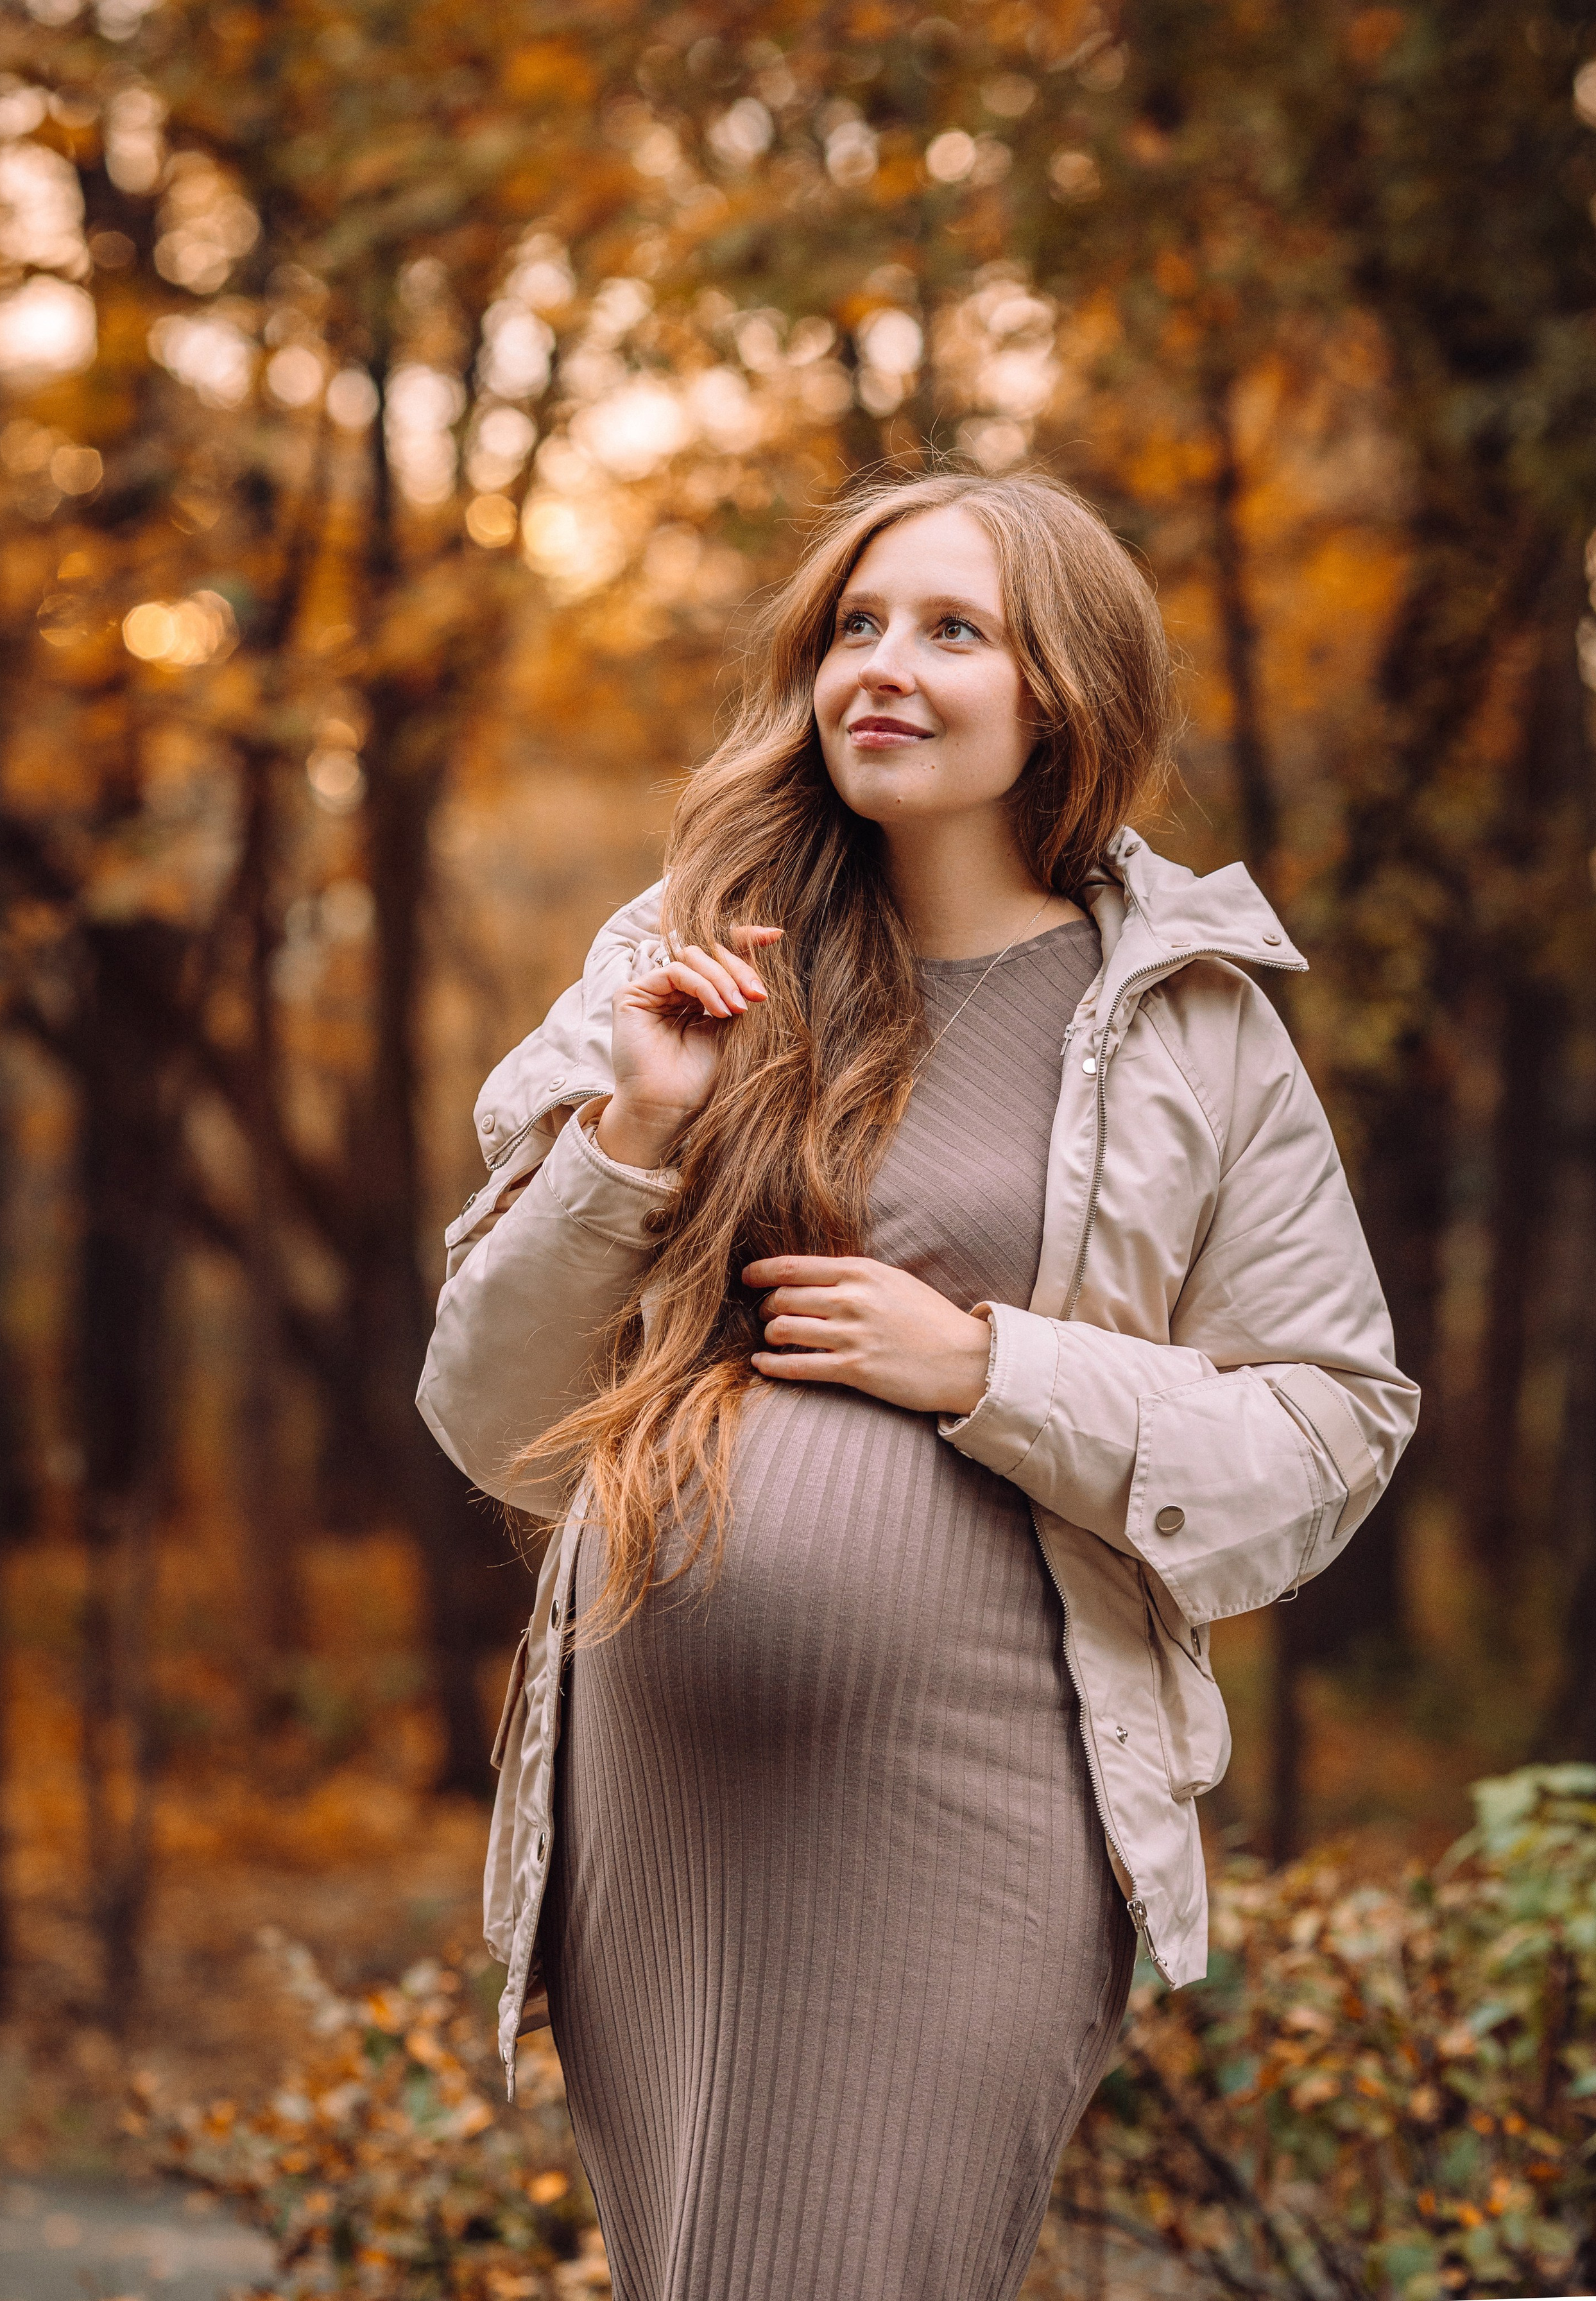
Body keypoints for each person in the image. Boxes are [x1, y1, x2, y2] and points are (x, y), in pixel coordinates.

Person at [418, 470, 1418, 2301]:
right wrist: (633, 1133)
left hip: (977, 1787)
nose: (882, 666)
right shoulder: (677, 958)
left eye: (954, 628)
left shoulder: (1189, 1015)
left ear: (1067, 691)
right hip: (664, 1804)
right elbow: (485, 1408)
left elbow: (1333, 1418)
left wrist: (988, 1368)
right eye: (855, 629)